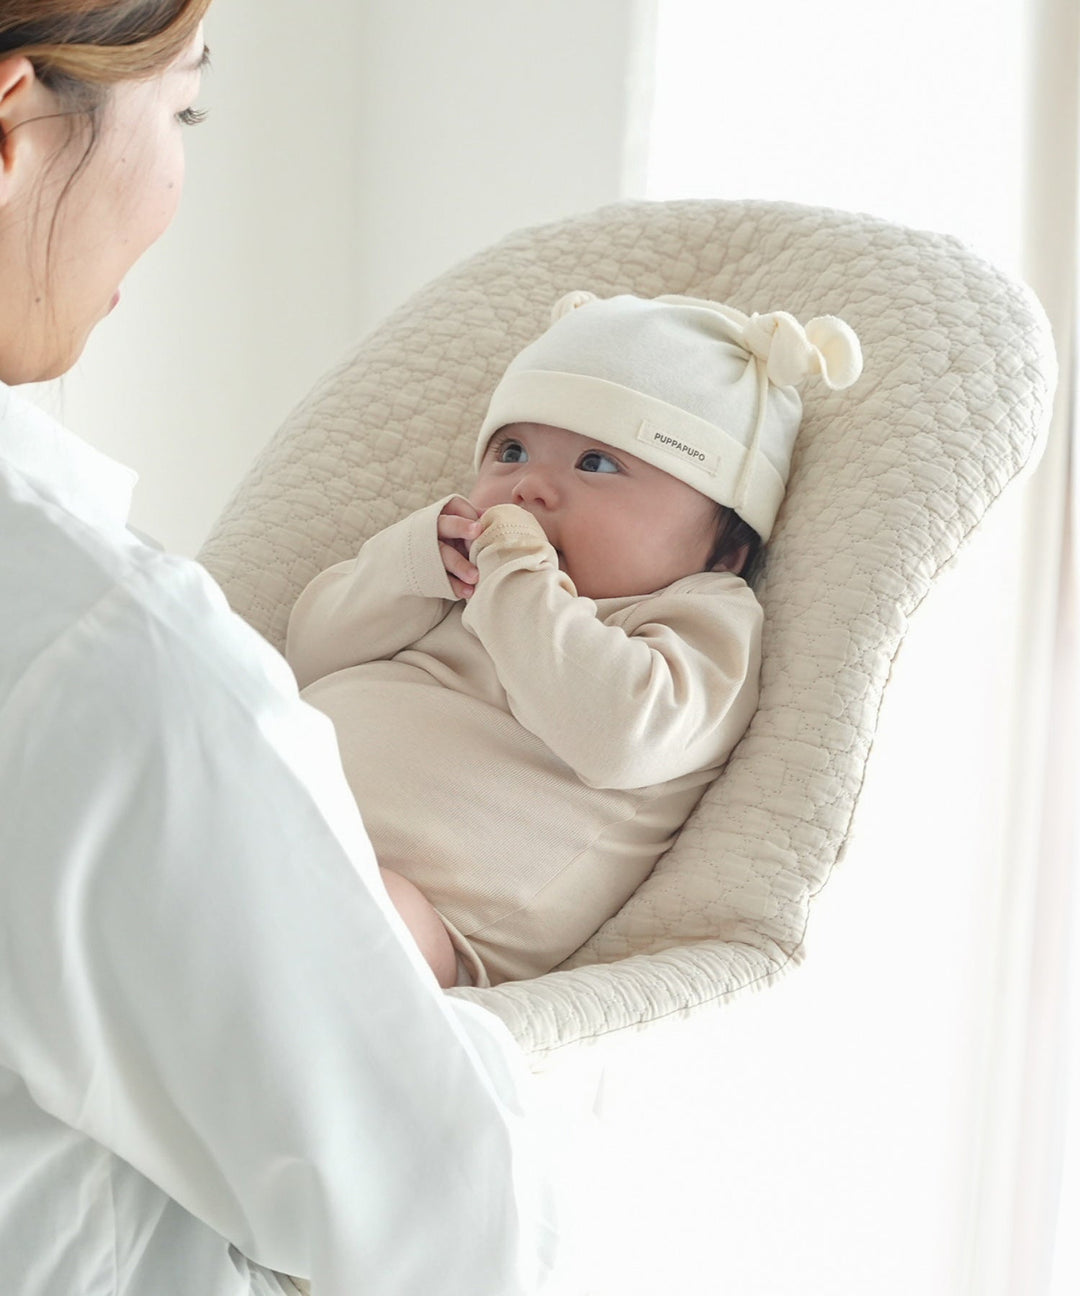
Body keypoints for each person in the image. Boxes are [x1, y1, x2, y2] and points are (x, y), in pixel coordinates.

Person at [0, 4, 557, 1294]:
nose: (172, 185)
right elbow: (456, 1233)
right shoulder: (101, 663)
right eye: (182, 109)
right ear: (17, 120)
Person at [285, 291, 863, 990]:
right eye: (512, 450)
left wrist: (522, 583)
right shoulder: (450, 570)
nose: (530, 487)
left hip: (422, 914)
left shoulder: (702, 616)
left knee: (348, 914)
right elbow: (305, 657)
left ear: (726, 549)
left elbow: (620, 733)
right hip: (271, 801)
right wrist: (404, 567)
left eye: (596, 463)